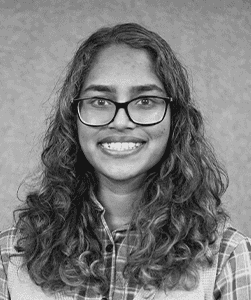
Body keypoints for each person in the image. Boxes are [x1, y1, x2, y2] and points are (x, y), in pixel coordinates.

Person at [0, 22, 250, 300]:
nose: (121, 121)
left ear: (175, 119)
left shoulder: (227, 257)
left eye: (145, 101)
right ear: (73, 118)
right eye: (100, 101)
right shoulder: (11, 254)